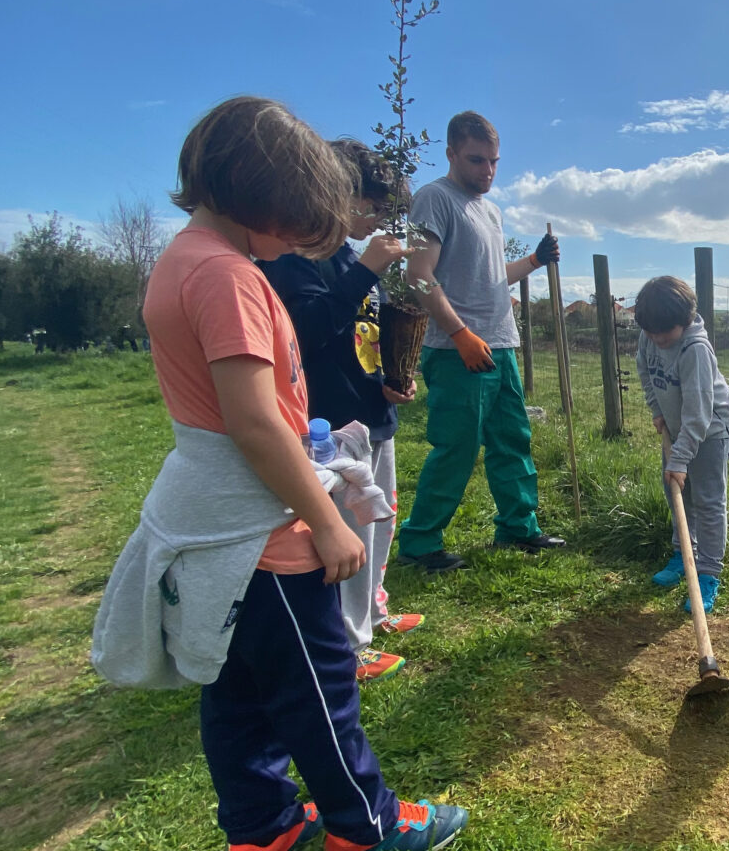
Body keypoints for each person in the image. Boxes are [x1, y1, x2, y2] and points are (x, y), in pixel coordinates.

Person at [97, 96, 465, 851]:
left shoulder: (185, 259)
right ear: (261, 194)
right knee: (320, 687)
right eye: (299, 221)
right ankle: (369, 827)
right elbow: (254, 419)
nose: (301, 241)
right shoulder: (228, 276)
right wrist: (326, 522)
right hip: (261, 528)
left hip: (220, 524)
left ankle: (261, 826)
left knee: (236, 689)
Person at [259, 138, 444, 686]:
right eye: (374, 205)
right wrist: (365, 270)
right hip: (330, 425)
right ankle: (347, 646)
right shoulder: (296, 259)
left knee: (378, 522)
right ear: (338, 195)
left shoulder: (346, 259)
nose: (381, 219)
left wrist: (390, 382)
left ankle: (374, 612)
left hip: (369, 412)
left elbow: (361, 336)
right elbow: (309, 334)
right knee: (344, 535)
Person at [395, 110, 565, 567]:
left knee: (513, 439)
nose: (487, 171)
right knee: (457, 447)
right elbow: (418, 276)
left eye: (493, 161)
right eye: (476, 160)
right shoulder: (434, 199)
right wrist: (460, 334)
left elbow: (492, 277)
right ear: (451, 153)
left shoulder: (491, 210)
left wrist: (533, 260)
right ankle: (420, 543)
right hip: (457, 351)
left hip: (502, 345)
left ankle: (517, 528)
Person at [634, 276, 729, 613]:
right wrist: (657, 410)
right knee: (677, 494)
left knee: (708, 501)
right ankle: (684, 553)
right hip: (677, 426)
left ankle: (708, 573)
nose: (656, 340)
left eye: (663, 334)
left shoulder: (695, 350)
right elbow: (645, 370)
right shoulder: (651, 333)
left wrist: (679, 459)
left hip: (708, 430)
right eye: (651, 333)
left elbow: (698, 415)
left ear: (684, 322)